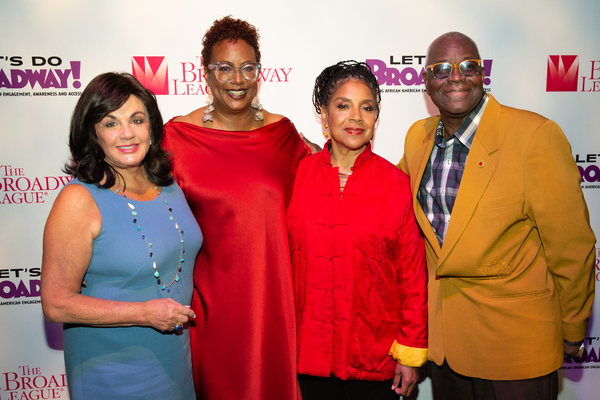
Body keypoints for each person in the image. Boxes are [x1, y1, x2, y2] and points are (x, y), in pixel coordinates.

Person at [398, 32, 596, 400]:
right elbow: (390, 203)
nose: (456, 76)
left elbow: (572, 246)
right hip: (445, 350)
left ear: (482, 73)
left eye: (468, 66)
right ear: (425, 82)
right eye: (442, 69)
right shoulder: (417, 138)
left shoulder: (534, 136)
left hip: (515, 349)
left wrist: (572, 330)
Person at [162, 16, 310, 400]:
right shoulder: (177, 138)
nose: (237, 79)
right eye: (224, 68)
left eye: (247, 68)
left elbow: (330, 174)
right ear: (205, 73)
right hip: (214, 311)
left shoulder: (284, 135)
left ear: (259, 72)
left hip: (278, 303)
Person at [40, 72, 203, 400]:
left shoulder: (168, 185)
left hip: (174, 364)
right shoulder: (79, 200)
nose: (127, 133)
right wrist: (144, 313)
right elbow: (56, 304)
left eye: (137, 119)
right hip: (112, 374)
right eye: (111, 123)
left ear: (152, 127)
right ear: (93, 133)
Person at [287, 60, 428, 400]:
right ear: (324, 115)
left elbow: (412, 276)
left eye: (367, 108)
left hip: (374, 359)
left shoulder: (395, 185)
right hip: (306, 358)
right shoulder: (295, 176)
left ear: (376, 118)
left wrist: (410, 351)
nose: (356, 118)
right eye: (343, 106)